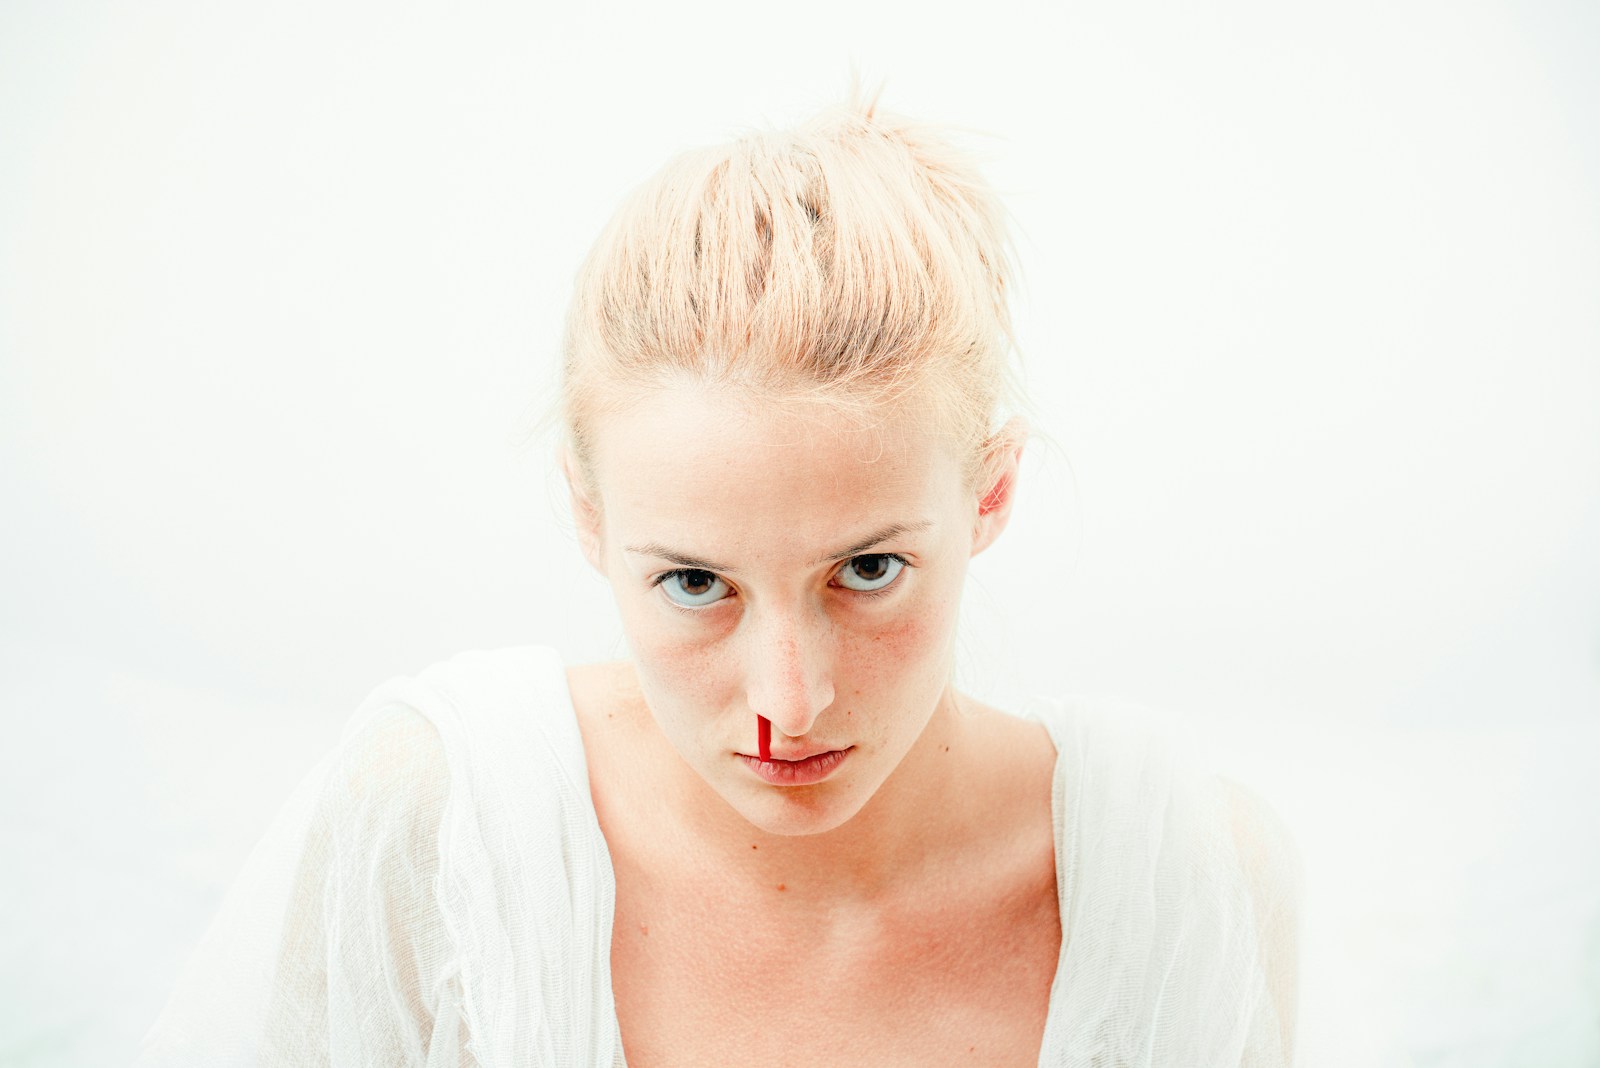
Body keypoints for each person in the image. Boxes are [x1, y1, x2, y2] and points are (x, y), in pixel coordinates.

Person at [136, 95, 1302, 1066]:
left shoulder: (1180, 884)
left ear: (989, 495)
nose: (789, 704)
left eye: (869, 570)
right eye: (695, 584)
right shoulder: (445, 829)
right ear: (589, 520)